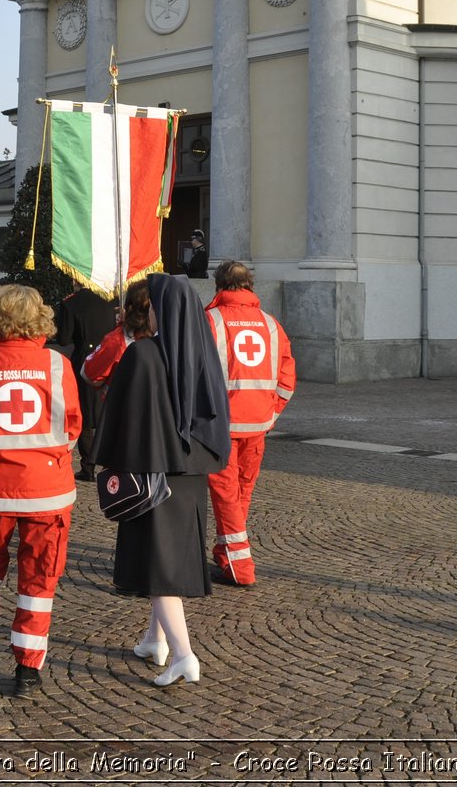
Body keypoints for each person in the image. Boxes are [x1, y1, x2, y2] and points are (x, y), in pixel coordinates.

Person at [95, 274, 232, 686]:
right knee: (168, 563)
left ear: (163, 309)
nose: (147, 310)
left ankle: (184, 655)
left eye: (151, 304)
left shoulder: (144, 355)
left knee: (159, 568)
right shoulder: (202, 354)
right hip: (190, 478)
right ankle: (155, 640)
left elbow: (123, 417)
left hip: (152, 473)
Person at [0, 285, 82, 699]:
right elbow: (71, 427)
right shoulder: (57, 365)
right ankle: (27, 669)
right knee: (39, 577)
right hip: (47, 490)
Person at [204, 260, 296, 586]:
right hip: (257, 424)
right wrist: (271, 413)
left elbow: (194, 376)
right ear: (250, 286)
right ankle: (225, 553)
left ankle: (241, 568)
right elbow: (287, 378)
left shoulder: (211, 320)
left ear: (219, 286)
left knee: (226, 495)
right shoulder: (271, 324)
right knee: (241, 492)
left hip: (221, 427)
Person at [56, 281, 120, 480]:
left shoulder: (70, 303)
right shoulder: (108, 300)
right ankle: (110, 463)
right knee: (106, 411)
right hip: (109, 355)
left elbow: (64, 339)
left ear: (75, 280)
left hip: (84, 358)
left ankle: (88, 466)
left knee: (83, 413)